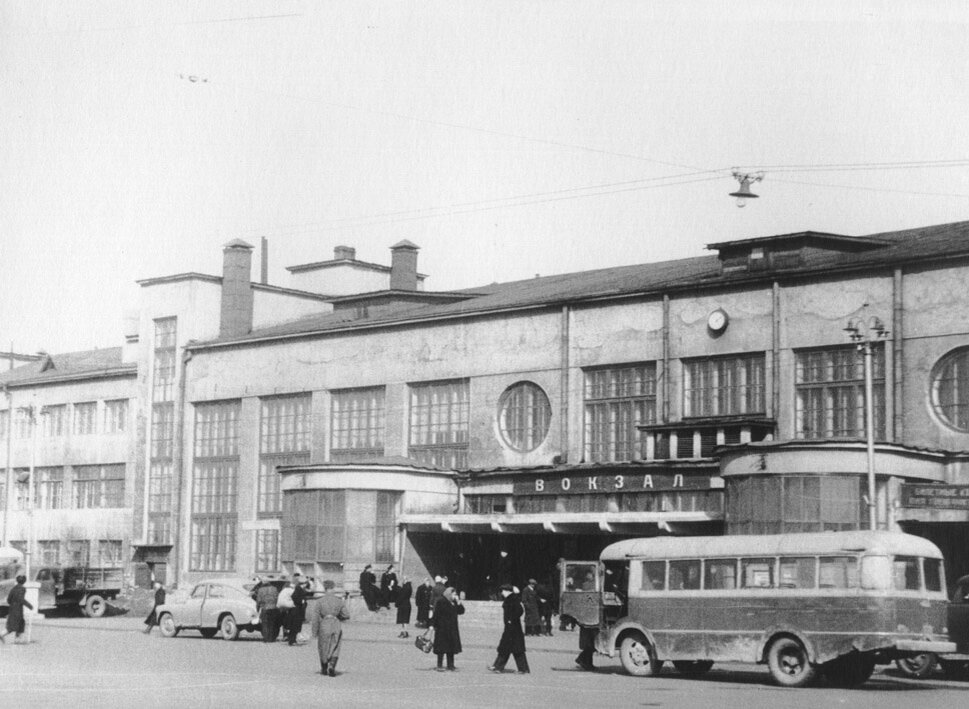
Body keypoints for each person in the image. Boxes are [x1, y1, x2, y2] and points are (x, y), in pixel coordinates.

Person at [311, 579, 350, 677]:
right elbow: (346, 615)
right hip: (336, 623)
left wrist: (314, 632)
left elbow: (315, 617)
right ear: (333, 588)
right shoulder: (339, 601)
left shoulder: (320, 601)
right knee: (335, 645)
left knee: (323, 646)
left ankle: (324, 667)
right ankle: (332, 665)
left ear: (325, 588)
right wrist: (338, 617)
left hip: (325, 623)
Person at [488, 584, 530, 674]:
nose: (502, 593)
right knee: (506, 648)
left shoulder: (513, 599)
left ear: (507, 591)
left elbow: (520, 610)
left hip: (513, 629)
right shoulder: (511, 598)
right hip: (510, 628)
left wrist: (511, 619)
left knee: (515, 649)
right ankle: (497, 666)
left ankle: (522, 669)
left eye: (503, 591)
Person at [431, 586, 464, 671]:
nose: (455, 596)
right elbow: (436, 614)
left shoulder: (454, 602)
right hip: (442, 628)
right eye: (453, 594)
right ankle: (439, 665)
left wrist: (459, 602)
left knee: (451, 648)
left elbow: (461, 611)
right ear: (449, 594)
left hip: (452, 628)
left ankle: (451, 665)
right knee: (441, 648)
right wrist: (432, 625)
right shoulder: (441, 601)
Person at [0, 574, 34, 644]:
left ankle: (5, 635)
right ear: (24, 581)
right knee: (19, 624)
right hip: (18, 609)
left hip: (12, 609)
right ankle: (16, 639)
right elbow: (21, 599)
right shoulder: (22, 589)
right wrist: (29, 606)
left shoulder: (13, 588)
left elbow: (9, 599)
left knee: (14, 624)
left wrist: (13, 604)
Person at [287, 574, 310, 646]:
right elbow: (296, 598)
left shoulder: (298, 589)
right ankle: (292, 641)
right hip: (297, 611)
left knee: (295, 626)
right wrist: (302, 601)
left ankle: (292, 640)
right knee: (295, 626)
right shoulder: (299, 589)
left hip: (296, 610)